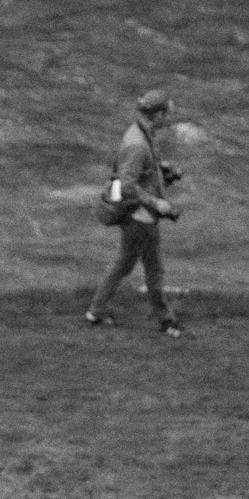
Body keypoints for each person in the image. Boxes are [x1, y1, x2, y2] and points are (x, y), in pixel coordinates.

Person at [84, 90, 185, 338]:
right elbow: (129, 185)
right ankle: (165, 319)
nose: (169, 117)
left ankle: (96, 311)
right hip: (141, 217)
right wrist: (157, 204)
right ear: (158, 114)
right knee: (155, 269)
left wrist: (163, 170)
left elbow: (137, 170)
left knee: (124, 262)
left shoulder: (141, 134)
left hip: (138, 215)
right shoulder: (137, 144)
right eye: (167, 113)